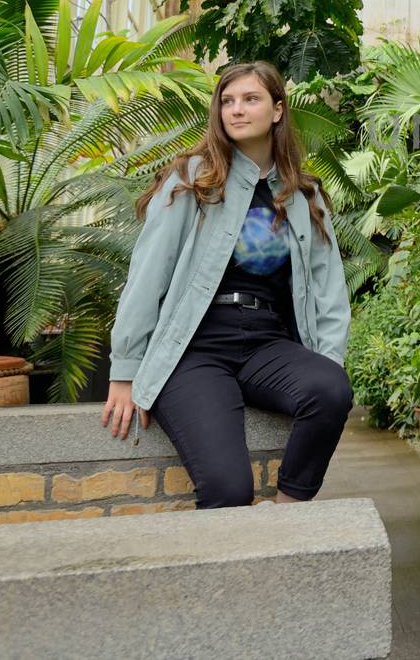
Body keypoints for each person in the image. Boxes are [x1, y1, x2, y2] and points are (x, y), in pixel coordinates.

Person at [100, 61, 353, 508]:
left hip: (266, 344)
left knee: (331, 389)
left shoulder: (303, 195)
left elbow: (329, 290)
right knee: (228, 490)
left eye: (250, 99)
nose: (236, 110)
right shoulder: (193, 178)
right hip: (193, 349)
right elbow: (148, 273)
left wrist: (328, 361)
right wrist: (125, 369)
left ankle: (289, 509)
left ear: (277, 110)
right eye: (227, 101)